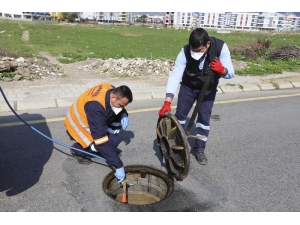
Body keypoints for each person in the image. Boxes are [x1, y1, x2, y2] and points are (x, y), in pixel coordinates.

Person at [158, 28, 234, 165]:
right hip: (188, 87)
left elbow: (231, 73)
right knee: (180, 116)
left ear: (208, 44)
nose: (196, 54)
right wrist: (167, 101)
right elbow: (175, 76)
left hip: (208, 89)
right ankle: (177, 146)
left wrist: (223, 70)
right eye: (194, 50)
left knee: (204, 119)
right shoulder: (185, 51)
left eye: (199, 50)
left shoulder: (220, 47)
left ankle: (199, 149)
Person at [64, 83, 133, 183]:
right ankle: (77, 149)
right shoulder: (95, 107)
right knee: (110, 142)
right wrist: (118, 166)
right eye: (121, 105)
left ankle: (107, 151)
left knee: (113, 136)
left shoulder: (111, 89)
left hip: (91, 118)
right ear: (113, 97)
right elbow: (101, 140)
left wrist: (123, 114)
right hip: (78, 125)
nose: (121, 108)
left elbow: (116, 107)